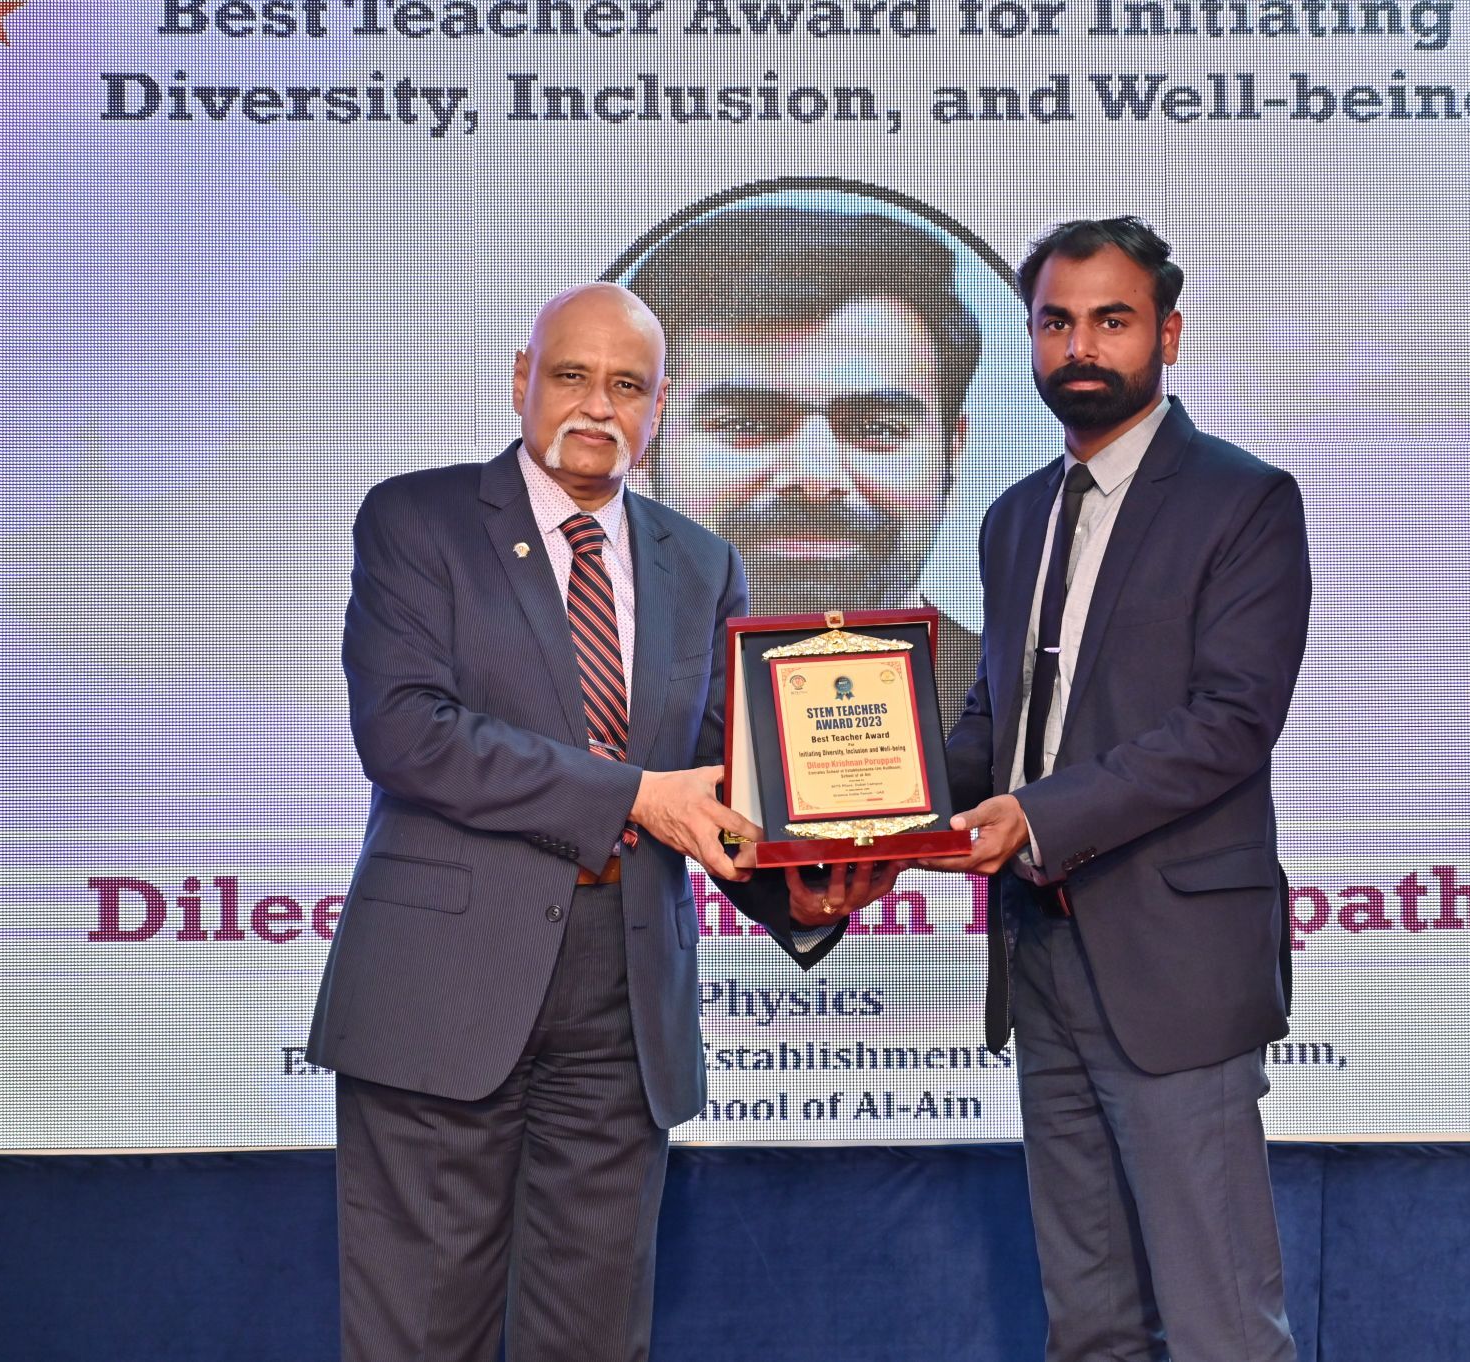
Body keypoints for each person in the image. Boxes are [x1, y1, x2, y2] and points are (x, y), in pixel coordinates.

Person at [305, 283, 888, 1362]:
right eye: (570, 375)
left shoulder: (701, 563)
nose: (595, 405)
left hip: (622, 998)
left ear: (658, 408)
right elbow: (406, 732)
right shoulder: (418, 521)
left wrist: (800, 886)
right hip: (443, 989)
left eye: (626, 385)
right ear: (520, 380)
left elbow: (716, 782)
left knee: (594, 1340)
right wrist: (631, 796)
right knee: (419, 1337)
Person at [919, 218, 1311, 1362]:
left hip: (1171, 962)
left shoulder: (1241, 501)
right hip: (1039, 952)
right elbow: (997, 724)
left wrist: (1037, 817)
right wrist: (863, 808)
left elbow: (1228, 724)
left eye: (1110, 320)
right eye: (1055, 322)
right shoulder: (1012, 519)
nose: (1079, 346)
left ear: (1166, 335)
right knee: (1086, 1320)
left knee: (1218, 1321)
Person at [623, 204, 986, 733]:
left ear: (951, 453)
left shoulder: (1020, 702)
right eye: (744, 423)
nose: (817, 478)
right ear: (645, 448)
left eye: (878, 429)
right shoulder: (574, 695)